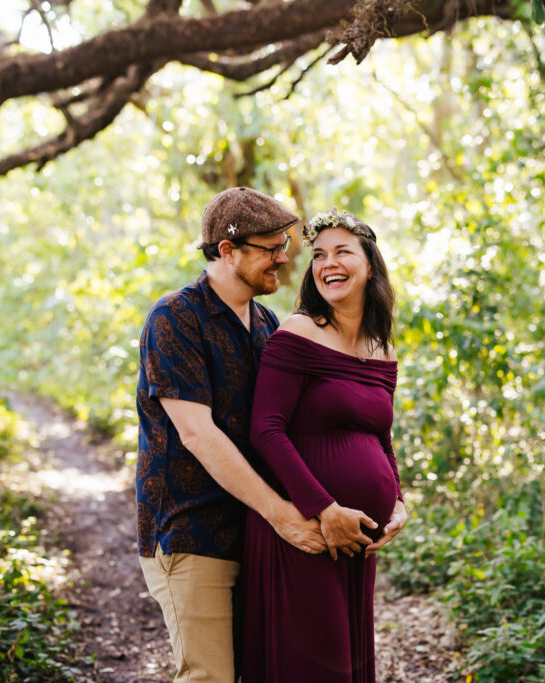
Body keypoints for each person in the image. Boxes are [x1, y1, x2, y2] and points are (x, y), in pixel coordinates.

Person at [135, 187, 327, 683]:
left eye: (284, 244)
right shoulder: (175, 318)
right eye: (270, 248)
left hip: (255, 535)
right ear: (227, 250)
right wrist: (283, 516)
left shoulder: (266, 323)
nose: (283, 259)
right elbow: (200, 436)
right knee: (209, 678)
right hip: (191, 531)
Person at [241, 208, 409, 682]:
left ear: (369, 264)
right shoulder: (298, 332)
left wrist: (397, 499)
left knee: (345, 663)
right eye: (318, 255)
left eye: (341, 252)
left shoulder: (382, 347)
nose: (327, 263)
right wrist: (324, 509)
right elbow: (266, 430)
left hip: (358, 539)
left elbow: (381, 436)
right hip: (307, 530)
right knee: (312, 664)